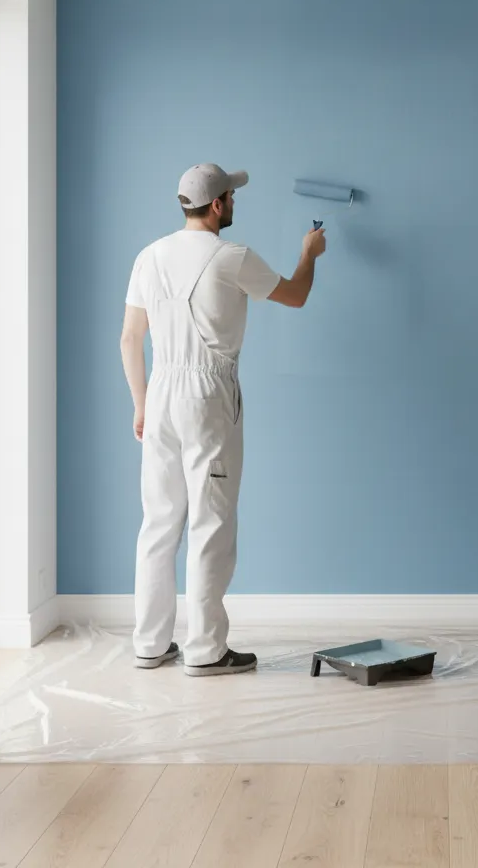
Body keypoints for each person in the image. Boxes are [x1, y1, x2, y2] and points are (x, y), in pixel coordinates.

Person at [120, 164, 327, 676]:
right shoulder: (231, 257)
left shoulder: (149, 256)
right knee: (210, 522)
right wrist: (309, 253)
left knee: (159, 521)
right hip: (208, 395)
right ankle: (206, 651)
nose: (235, 202)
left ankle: (150, 643)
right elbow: (295, 294)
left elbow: (130, 337)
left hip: (163, 389)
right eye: (231, 196)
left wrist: (142, 402)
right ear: (216, 205)